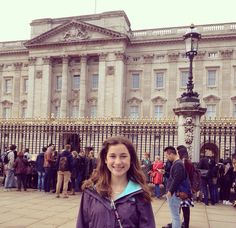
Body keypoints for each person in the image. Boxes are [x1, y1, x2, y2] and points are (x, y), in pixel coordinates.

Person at [77, 136, 155, 228]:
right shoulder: (90, 192)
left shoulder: (140, 194)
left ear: (131, 160)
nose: (118, 162)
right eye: (112, 156)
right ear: (105, 159)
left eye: (123, 156)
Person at [162, 146, 186, 228]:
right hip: (174, 193)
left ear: (171, 154)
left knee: (175, 216)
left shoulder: (178, 164)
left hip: (174, 194)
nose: (167, 158)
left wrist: (170, 191)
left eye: (167, 156)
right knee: (174, 216)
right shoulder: (177, 163)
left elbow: (177, 179)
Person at [177, 145, 194, 228]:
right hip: (188, 186)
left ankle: (184, 224)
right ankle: (185, 223)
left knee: (183, 207)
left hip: (184, 187)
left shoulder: (184, 162)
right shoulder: (189, 161)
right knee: (185, 207)